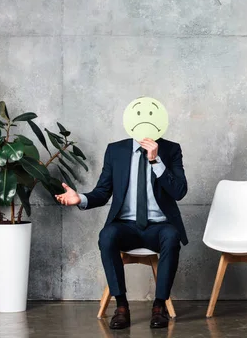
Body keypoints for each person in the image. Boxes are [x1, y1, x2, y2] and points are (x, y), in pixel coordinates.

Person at [56, 137, 188, 329]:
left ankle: (159, 306)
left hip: (159, 226)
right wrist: (81, 199)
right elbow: (103, 192)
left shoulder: (171, 149)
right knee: (107, 235)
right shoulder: (115, 150)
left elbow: (180, 192)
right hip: (126, 226)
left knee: (171, 236)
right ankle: (121, 306)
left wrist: (155, 161)